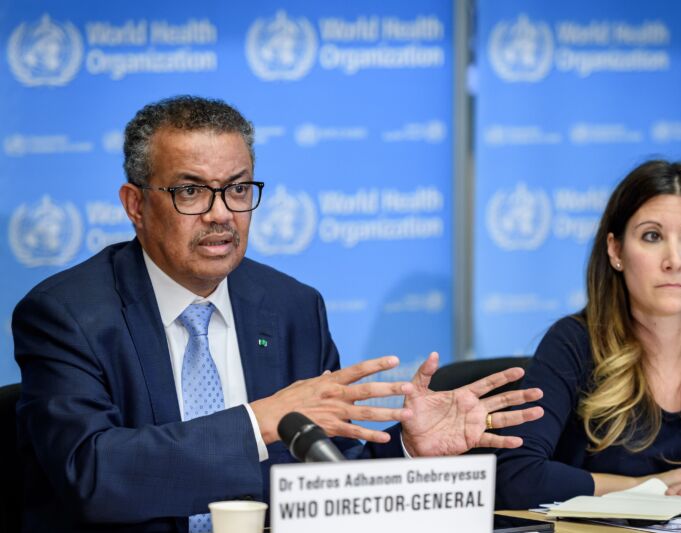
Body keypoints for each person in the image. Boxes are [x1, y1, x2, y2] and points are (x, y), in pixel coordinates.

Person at [12, 95, 544, 533]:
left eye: (238, 189)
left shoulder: (291, 307)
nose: (221, 214)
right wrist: (255, 423)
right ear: (135, 204)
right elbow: (92, 477)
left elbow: (328, 480)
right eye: (191, 191)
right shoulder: (67, 314)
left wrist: (408, 449)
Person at [495, 160, 681, 509]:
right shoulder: (575, 342)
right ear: (616, 251)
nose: (674, 260)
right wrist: (646, 487)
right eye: (652, 236)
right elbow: (515, 476)